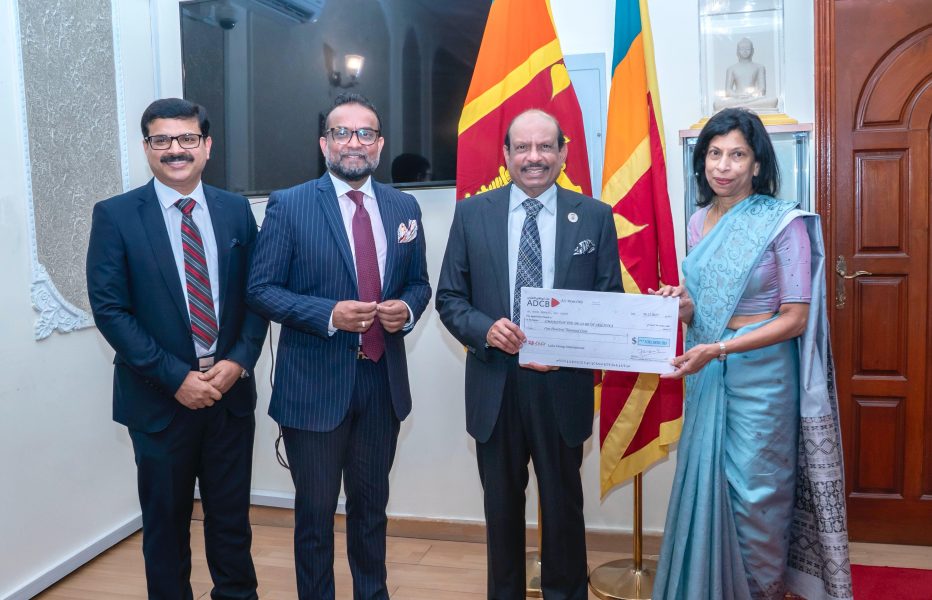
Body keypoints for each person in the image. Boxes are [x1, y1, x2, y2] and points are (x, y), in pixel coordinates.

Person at [651, 108, 852, 600]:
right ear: (702, 161)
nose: (723, 166)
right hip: (708, 373)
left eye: (737, 155)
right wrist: (680, 305)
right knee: (711, 488)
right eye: (714, 154)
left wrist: (721, 347)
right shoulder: (698, 222)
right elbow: (704, 307)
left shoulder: (783, 224)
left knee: (757, 498)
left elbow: (795, 317)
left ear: (757, 164)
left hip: (763, 380)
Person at [246, 93, 431, 600]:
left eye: (365, 133)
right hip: (314, 387)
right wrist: (328, 315)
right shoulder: (290, 204)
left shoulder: (403, 206)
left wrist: (406, 309)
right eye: (342, 133)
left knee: (371, 510)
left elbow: (419, 283)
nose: (354, 142)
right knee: (315, 515)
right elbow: (260, 290)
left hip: (381, 383)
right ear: (324, 143)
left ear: (380, 144)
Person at [436, 109, 623, 600]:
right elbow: (449, 298)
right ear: (506, 155)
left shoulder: (595, 216)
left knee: (563, 511)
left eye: (545, 146)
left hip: (562, 386)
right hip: (495, 386)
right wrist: (485, 329)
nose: (533, 157)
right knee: (500, 512)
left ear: (563, 153)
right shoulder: (472, 214)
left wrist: (567, 344)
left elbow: (609, 302)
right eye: (522, 147)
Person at [86, 98, 268, 599]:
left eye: (187, 138)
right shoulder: (116, 216)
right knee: (165, 530)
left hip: (230, 396)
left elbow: (257, 295)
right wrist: (176, 378)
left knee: (232, 524)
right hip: (158, 401)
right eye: (161, 139)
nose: (175, 150)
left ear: (207, 146)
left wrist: (239, 361)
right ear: (147, 147)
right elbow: (111, 311)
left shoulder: (235, 211)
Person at [712, 38, 778, 111]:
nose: (745, 51)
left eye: (748, 49)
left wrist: (752, 95)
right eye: (742, 49)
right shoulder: (731, 68)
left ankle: (741, 106)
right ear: (737, 51)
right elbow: (728, 90)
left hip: (753, 98)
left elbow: (762, 89)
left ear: (752, 51)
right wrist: (737, 96)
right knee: (717, 104)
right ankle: (745, 105)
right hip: (737, 98)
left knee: (773, 100)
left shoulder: (759, 67)